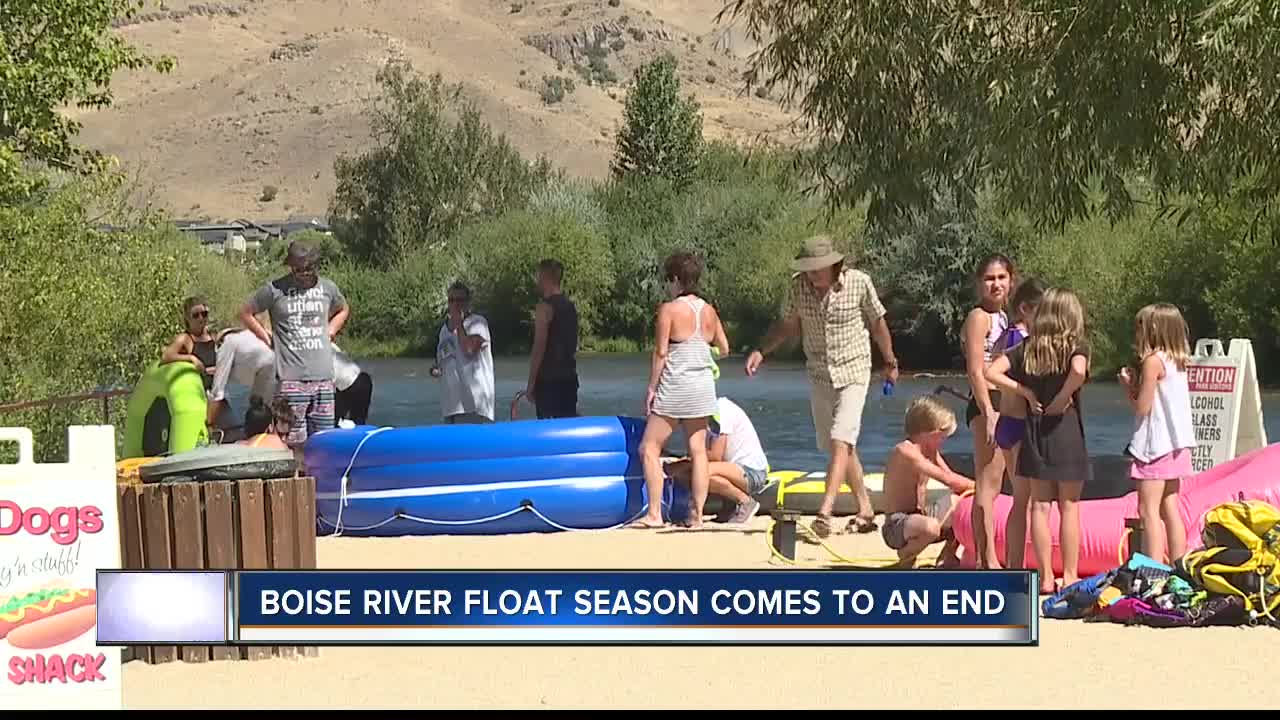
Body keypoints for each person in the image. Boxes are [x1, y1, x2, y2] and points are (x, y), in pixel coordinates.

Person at [744, 235, 900, 538]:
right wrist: (762, 351)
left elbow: (878, 323)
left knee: (841, 438)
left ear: (833, 265)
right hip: (818, 373)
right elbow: (790, 325)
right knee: (838, 445)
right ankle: (866, 510)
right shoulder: (798, 286)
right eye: (807, 269)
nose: (811, 274)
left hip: (854, 369)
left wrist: (890, 362)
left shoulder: (858, 282)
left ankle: (824, 513)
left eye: (817, 269)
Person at [985, 288, 1091, 594]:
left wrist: (1026, 392)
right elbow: (1078, 371)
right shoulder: (1076, 345)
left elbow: (992, 371)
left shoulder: (1030, 347)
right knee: (1069, 506)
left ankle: (1044, 577)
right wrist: (1062, 397)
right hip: (1066, 429)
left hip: (1035, 430)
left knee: (1040, 507)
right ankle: (1069, 575)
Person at [633, 252, 730, 529]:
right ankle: (697, 516)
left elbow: (661, 352)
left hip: (675, 386)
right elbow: (724, 349)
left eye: (669, 279)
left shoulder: (669, 310)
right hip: (702, 390)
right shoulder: (709, 311)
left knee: (649, 448)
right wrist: (703, 353)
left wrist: (651, 388)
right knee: (698, 450)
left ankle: (654, 514)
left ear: (676, 279)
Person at [239, 240, 350, 458]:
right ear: (291, 267)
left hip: (324, 378)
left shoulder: (328, 288)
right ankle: (297, 483)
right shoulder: (275, 289)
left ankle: (321, 486)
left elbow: (343, 308)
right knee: (292, 441)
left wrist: (331, 330)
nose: (305, 273)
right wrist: (266, 337)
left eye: (309, 268)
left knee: (325, 441)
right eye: (299, 269)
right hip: (291, 379)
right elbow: (245, 312)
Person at [1119, 303, 1195, 565]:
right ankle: (1178, 563)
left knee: (1147, 510)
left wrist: (1129, 386)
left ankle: (1153, 568)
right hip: (1177, 445)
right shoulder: (1179, 361)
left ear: (1151, 330)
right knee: (1170, 507)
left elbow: (1143, 407)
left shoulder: (1153, 362)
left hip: (1155, 447)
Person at [988, 277, 1046, 569]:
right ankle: (1016, 566)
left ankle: (1015, 564)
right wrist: (1026, 391)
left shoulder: (1008, 337)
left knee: (1021, 499)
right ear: (1025, 308)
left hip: (1008, 425)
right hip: (1019, 424)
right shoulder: (1020, 341)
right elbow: (993, 374)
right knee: (1028, 499)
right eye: (1042, 311)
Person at [881, 395, 977, 568]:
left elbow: (951, 478)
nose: (943, 441)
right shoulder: (905, 452)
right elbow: (947, 479)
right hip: (897, 525)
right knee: (931, 527)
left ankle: (947, 556)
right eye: (942, 437)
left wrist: (972, 491)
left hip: (921, 515)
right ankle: (906, 555)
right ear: (929, 434)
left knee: (963, 503)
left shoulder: (930, 450)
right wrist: (981, 487)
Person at [962, 254, 1014, 569]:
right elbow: (975, 369)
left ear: (1011, 280)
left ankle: (988, 555)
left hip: (1005, 400)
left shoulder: (1004, 317)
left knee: (996, 481)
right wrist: (989, 412)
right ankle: (987, 558)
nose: (996, 284)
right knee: (988, 482)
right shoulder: (979, 317)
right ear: (979, 283)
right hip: (988, 403)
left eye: (1001, 277)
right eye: (989, 278)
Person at [667, 397, 770, 525]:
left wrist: (682, 464)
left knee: (701, 472)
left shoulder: (721, 411)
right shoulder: (708, 417)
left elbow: (715, 456)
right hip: (735, 470)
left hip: (752, 472)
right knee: (690, 472)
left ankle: (745, 502)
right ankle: (728, 506)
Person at [430, 282, 494, 424]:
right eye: (452, 300)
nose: (456, 304)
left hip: (473, 406)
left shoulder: (477, 323)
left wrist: (459, 324)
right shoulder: (444, 331)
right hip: (450, 406)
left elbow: (469, 350)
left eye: (460, 300)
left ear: (468, 302)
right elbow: (444, 361)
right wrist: (435, 369)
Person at [525, 259, 580, 419]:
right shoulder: (570, 307)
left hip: (549, 381)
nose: (537, 281)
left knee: (548, 430)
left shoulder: (544, 307)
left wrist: (531, 384)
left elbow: (539, 346)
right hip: (569, 379)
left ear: (544, 277)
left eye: (538, 276)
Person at [208, 326, 276, 430]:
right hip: (275, 367)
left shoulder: (227, 342)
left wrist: (209, 423)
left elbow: (218, 390)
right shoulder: (249, 336)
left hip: (242, 410)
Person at [161, 296, 218, 393]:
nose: (201, 318)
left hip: (217, 391)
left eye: (204, 314)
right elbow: (166, 356)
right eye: (196, 315)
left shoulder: (214, 336)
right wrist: (191, 358)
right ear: (187, 318)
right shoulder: (185, 338)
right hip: (197, 393)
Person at [332, 343, 373, 426]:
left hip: (351, 383)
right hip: (361, 378)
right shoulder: (330, 344)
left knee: (334, 422)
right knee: (358, 422)